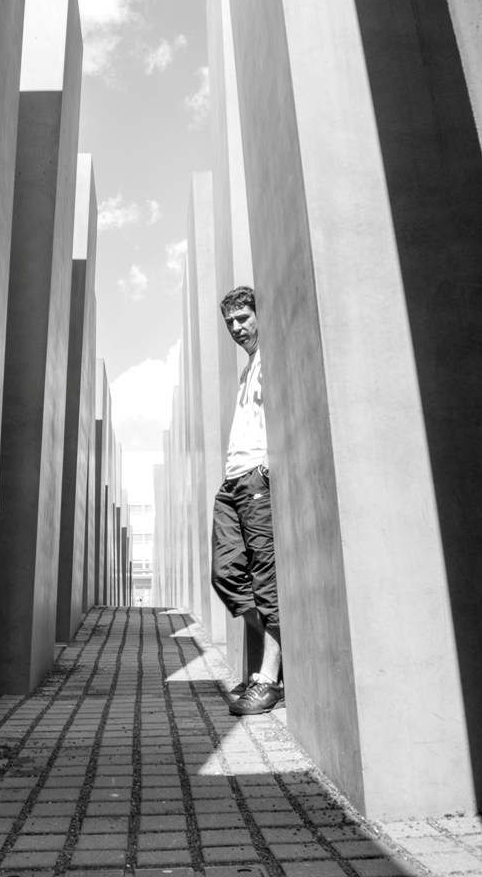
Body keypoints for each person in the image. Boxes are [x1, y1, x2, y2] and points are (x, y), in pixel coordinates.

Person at [211, 285, 283, 715]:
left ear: (259, 315)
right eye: (230, 323)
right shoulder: (247, 369)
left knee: (265, 577)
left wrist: (267, 465)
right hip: (232, 481)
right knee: (226, 573)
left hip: (256, 475)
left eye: (243, 318)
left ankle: (268, 678)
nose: (237, 328)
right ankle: (283, 652)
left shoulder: (270, 357)